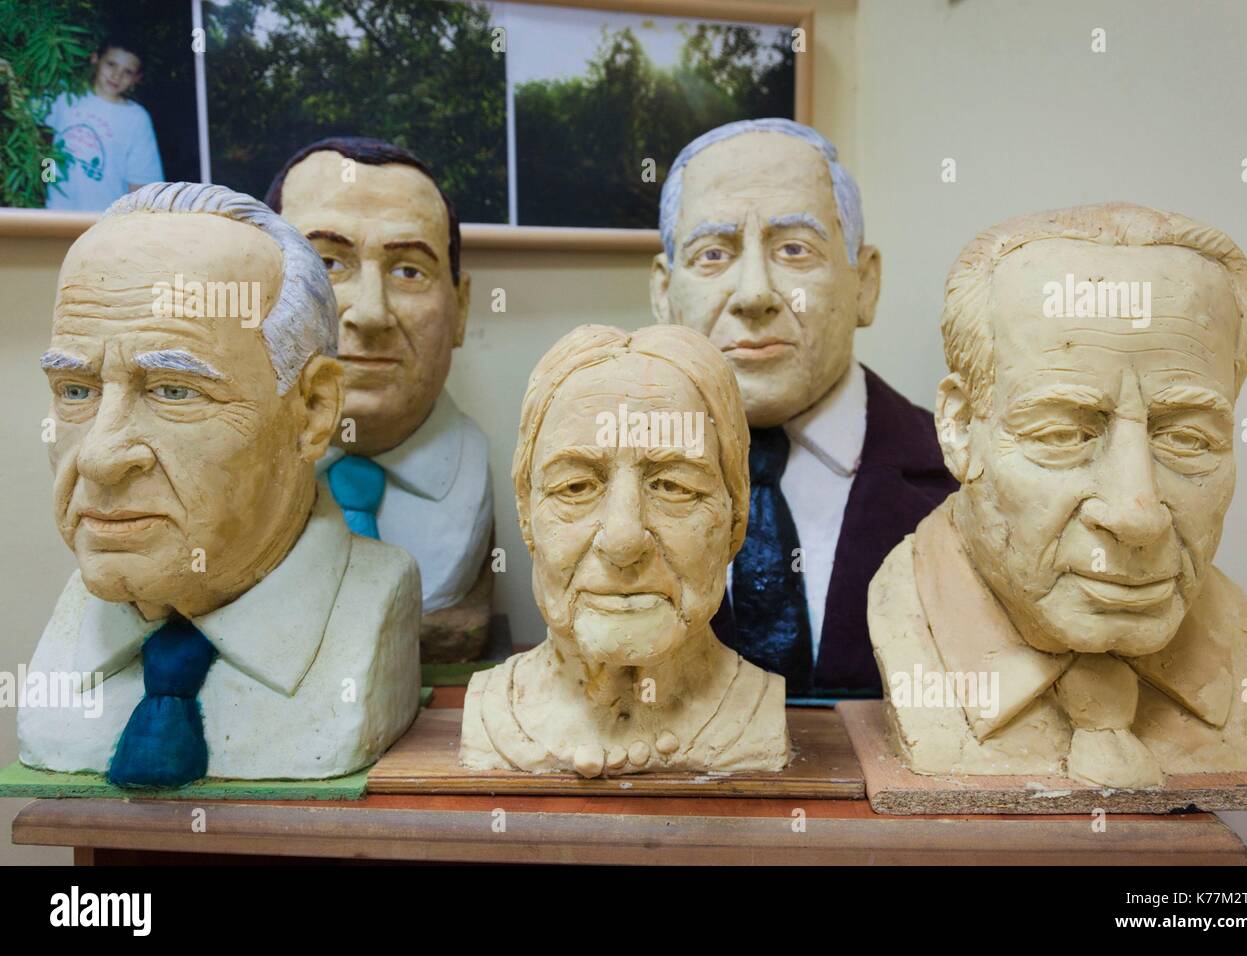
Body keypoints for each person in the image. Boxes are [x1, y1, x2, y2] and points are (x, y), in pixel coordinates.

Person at [870, 202, 1247, 787]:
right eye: (1062, 434)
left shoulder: (1244, 662)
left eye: (1188, 437)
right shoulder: (907, 622)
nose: (1136, 513)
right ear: (961, 428)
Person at [19, 183, 420, 786]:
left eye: (173, 391)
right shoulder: (68, 635)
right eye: (77, 391)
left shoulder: (372, 611)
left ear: (311, 410)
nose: (101, 456)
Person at [650, 118, 956, 698]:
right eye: (713, 254)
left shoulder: (965, 483)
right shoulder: (605, 488)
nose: (755, 294)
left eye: (794, 249)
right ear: (664, 293)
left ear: (864, 284)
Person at [460, 325, 789, 777]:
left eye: (674, 486)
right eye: (575, 487)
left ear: (737, 513)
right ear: (526, 511)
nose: (623, 539)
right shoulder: (490, 710)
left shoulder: (764, 713)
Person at [266, 137, 494, 664]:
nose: (370, 313)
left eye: (409, 270)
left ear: (459, 310)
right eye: (327, 263)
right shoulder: (222, 477)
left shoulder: (483, 479)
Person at [43, 34, 164, 212]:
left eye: (127, 72)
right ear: (95, 58)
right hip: (55, 212)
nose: (117, 76)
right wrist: (47, 181)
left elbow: (141, 185)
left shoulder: (136, 118)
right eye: (111, 64)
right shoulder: (64, 94)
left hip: (104, 221)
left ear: (137, 78)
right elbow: (40, 143)